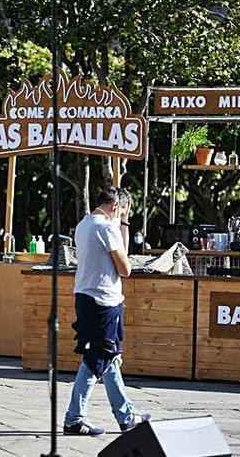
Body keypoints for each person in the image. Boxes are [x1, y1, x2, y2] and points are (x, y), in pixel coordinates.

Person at [63, 186, 150, 436]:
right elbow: (125, 267)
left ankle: (126, 416)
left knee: (110, 358)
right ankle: (74, 418)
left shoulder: (83, 225)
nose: (122, 217)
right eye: (122, 211)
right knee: (97, 359)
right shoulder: (106, 227)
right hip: (103, 302)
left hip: (86, 296)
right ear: (114, 206)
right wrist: (123, 222)